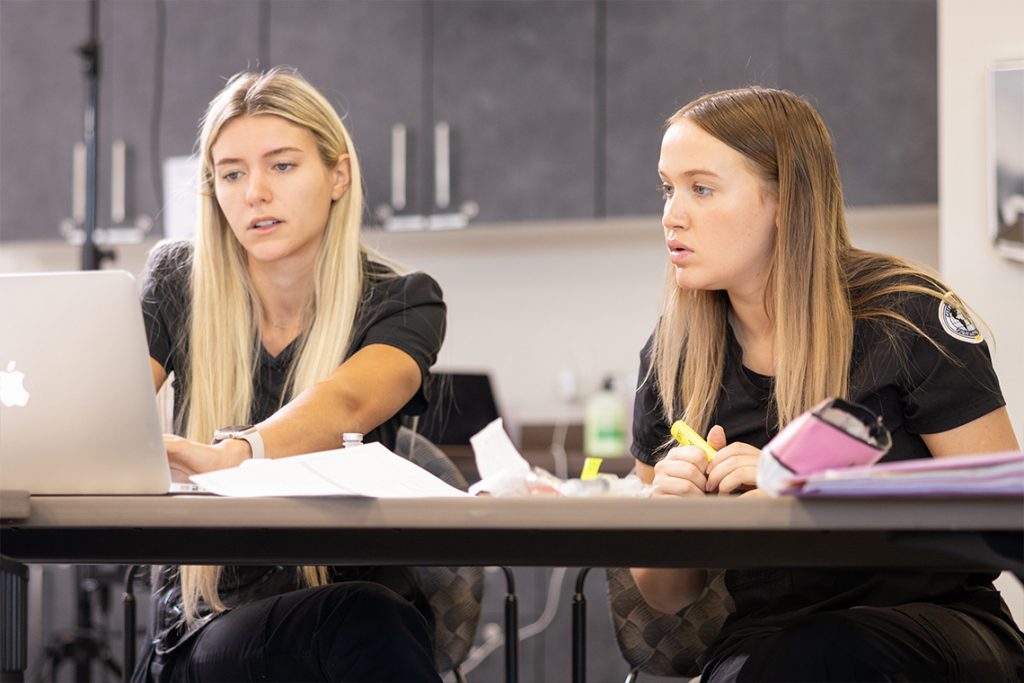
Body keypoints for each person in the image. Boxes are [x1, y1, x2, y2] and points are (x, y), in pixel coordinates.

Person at [630, 86, 1024, 681]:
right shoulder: (672, 356)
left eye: (701, 188)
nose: (671, 215)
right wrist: (673, 513)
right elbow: (665, 596)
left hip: (936, 626)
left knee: (818, 657)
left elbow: (1004, 517)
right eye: (668, 188)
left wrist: (810, 507)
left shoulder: (905, 316)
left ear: (785, 200)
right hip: (767, 641)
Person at [134, 68, 445, 682]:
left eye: (281, 166)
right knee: (366, 623)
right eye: (231, 173)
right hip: (205, 633)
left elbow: (351, 401)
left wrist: (239, 454)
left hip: (355, 616)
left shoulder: (404, 300)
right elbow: (104, 405)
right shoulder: (177, 281)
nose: (254, 192)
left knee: (363, 618)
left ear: (338, 174)